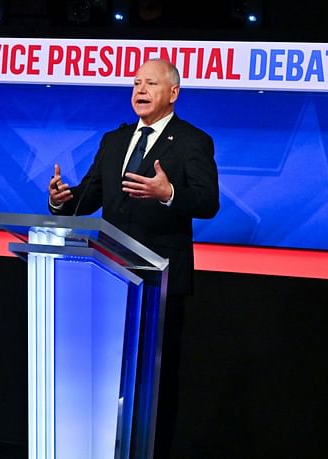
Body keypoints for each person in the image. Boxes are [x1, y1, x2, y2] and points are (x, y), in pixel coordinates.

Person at [47, 59, 219, 458]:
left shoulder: (193, 141)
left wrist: (168, 193)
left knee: (153, 381)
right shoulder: (114, 140)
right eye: (136, 83)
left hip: (159, 281)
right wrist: (60, 200)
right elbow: (88, 197)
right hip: (110, 276)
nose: (140, 90)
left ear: (173, 93)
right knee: (111, 375)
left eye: (151, 83)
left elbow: (208, 202)